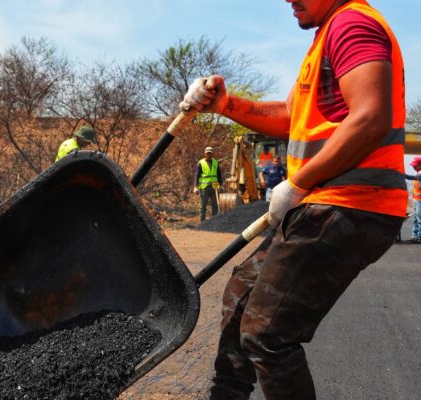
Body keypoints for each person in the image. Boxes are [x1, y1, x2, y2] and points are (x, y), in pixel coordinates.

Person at [179, 1, 407, 399]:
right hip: (324, 200)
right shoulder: (327, 35)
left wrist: (298, 182)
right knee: (240, 299)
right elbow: (290, 115)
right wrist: (225, 105)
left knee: (267, 333)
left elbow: (371, 116)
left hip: (351, 202)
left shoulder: (352, 24)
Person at [193, 146, 223, 222]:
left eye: (210, 153)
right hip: (204, 187)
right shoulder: (200, 163)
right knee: (203, 205)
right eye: (207, 153)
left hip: (214, 186)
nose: (209, 155)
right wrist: (195, 187)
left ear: (212, 154)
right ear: (205, 154)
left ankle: (214, 221)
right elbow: (197, 175)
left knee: (215, 205)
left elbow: (219, 175)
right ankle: (202, 222)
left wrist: (221, 185)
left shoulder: (216, 162)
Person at [405, 156, 421, 243]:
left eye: (415, 165)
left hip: (420, 201)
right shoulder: (417, 173)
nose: (413, 167)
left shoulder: (420, 174)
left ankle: (419, 237)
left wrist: (400, 173)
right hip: (416, 199)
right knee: (415, 219)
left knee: (419, 219)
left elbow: (409, 177)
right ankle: (415, 236)